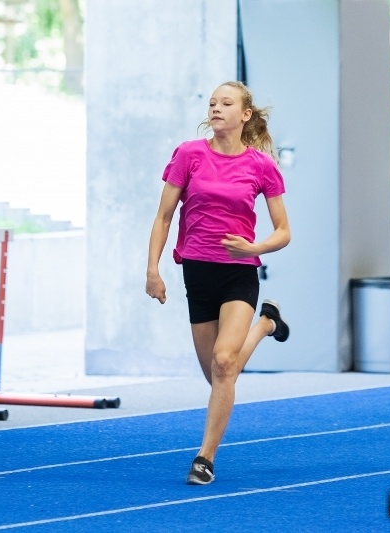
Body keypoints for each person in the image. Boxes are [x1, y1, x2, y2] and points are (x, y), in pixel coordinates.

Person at [145, 81, 292, 485]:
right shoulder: (189, 155)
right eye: (212, 103)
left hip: (238, 274)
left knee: (225, 363)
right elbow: (163, 217)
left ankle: (204, 458)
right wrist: (153, 270)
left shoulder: (261, 166)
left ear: (244, 115)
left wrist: (254, 248)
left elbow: (283, 230)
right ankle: (266, 325)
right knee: (218, 376)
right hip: (197, 272)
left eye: (226, 103)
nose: (216, 108)